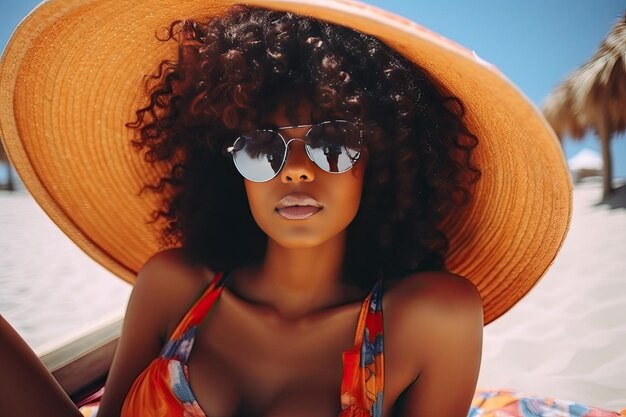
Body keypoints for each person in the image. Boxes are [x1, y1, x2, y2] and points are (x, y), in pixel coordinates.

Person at [0, 1, 573, 417]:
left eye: (333, 142)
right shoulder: (172, 287)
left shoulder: (429, 318)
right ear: (229, 168)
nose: (297, 168)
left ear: (383, 161)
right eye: (261, 147)